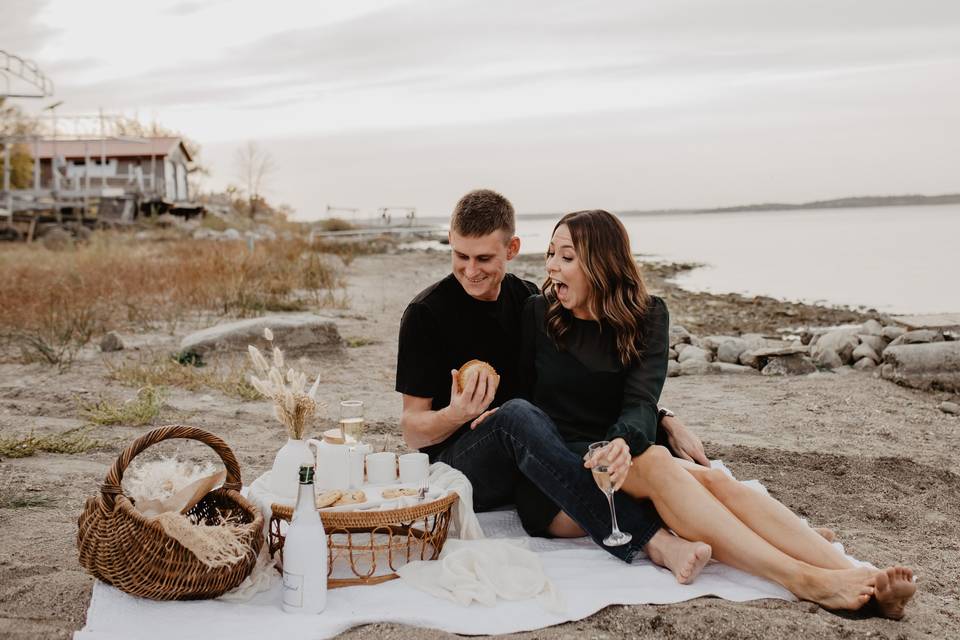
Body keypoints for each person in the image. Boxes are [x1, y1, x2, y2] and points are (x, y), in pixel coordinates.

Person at [517, 208, 916, 618]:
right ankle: (802, 577)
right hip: (562, 477)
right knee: (660, 461)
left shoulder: (649, 315)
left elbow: (641, 400)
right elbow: (521, 408)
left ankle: (856, 573)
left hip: (625, 456)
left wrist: (624, 440)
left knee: (716, 483)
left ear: (603, 263)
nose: (551, 266)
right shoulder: (537, 314)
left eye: (566, 257)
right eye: (550, 253)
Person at [396, 188, 712, 583]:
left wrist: (663, 416)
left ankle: (749, 535)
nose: (470, 270)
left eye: (484, 258)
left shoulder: (530, 301)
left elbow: (572, 384)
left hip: (535, 454)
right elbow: (411, 430)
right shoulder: (425, 314)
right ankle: (651, 539)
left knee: (645, 450)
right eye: (460, 256)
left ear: (511, 249)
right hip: (464, 463)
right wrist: (456, 413)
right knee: (518, 416)